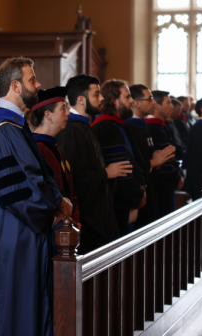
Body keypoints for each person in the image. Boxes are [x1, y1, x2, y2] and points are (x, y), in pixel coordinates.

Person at [0, 57, 70, 336]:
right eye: (32, 80)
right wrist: (56, 204)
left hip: (23, 235)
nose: (38, 85)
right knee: (16, 316)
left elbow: (38, 172)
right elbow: (19, 192)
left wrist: (57, 200)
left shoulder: (15, 125)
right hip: (13, 238)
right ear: (15, 86)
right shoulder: (1, 130)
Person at [56, 74, 125, 254]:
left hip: (101, 215)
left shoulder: (85, 127)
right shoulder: (72, 130)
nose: (101, 98)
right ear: (81, 99)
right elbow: (75, 180)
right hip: (88, 222)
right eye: (96, 94)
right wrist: (106, 173)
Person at [92, 79, 147, 234]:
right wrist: (136, 195)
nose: (132, 101)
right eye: (127, 97)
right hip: (117, 206)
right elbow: (120, 172)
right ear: (114, 100)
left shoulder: (120, 125)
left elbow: (134, 162)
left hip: (130, 202)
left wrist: (142, 188)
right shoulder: (104, 128)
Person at [31, 86, 81, 256]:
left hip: (68, 227)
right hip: (52, 234)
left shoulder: (54, 147)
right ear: (48, 115)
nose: (68, 113)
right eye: (63, 108)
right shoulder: (37, 149)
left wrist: (75, 218)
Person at [127, 84, 175, 225]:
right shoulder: (130, 127)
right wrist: (153, 162)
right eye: (150, 99)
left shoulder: (142, 126)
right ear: (136, 103)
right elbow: (133, 164)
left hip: (151, 187)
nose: (153, 103)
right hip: (140, 192)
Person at [146, 90, 183, 218]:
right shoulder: (152, 129)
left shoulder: (162, 127)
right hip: (160, 188)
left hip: (168, 186)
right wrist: (176, 178)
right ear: (155, 105)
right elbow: (163, 165)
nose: (172, 106)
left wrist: (179, 175)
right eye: (168, 103)